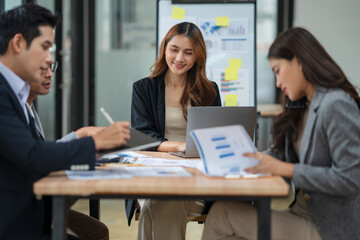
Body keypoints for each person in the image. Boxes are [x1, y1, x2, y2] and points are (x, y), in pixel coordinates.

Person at [201, 27, 360, 240]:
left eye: (277, 70)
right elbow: (286, 155)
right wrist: (254, 159)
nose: (277, 82)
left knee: (223, 213)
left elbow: (350, 179)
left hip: (329, 227)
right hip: (302, 213)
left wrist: (286, 169)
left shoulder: (335, 104)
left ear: (298, 61)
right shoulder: (304, 105)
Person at [0, 3, 130, 239]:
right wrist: (94, 144)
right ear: (18, 44)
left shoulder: (14, 92)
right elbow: (31, 154)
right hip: (15, 222)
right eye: (45, 47)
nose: (49, 59)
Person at [129, 22, 221, 240]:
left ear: (198, 56)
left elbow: (213, 138)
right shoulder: (143, 89)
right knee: (162, 199)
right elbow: (142, 136)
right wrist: (180, 146)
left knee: (159, 204)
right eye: (174, 50)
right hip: (153, 175)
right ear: (164, 50)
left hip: (195, 178)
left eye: (188, 53)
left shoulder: (209, 91)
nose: (180, 58)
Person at [27, 61, 109, 240]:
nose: (49, 74)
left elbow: (43, 151)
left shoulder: (30, 107)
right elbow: (35, 157)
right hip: (25, 209)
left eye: (51, 67)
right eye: (42, 67)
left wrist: (80, 136)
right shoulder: (12, 110)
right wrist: (81, 142)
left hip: (39, 203)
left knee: (98, 231)